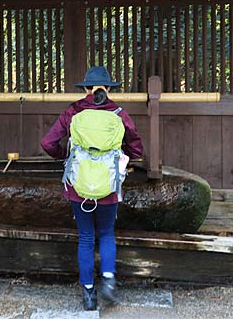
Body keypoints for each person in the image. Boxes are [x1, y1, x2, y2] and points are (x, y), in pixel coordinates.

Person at [41, 66, 143, 311]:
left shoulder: (73, 112)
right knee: (106, 234)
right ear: (108, 88)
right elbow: (137, 150)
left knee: (86, 237)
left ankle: (88, 294)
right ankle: (108, 279)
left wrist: (65, 155)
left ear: (86, 88)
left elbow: (47, 143)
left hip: (79, 185)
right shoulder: (119, 113)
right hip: (109, 185)